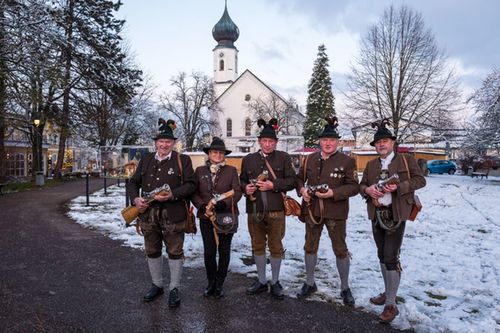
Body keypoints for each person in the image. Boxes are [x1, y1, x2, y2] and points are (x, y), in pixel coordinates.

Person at [359, 119, 426, 323]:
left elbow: (421, 180)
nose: (381, 145)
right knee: (381, 255)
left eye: (385, 141)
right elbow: (362, 186)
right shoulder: (371, 165)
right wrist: (367, 190)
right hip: (376, 214)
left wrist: (400, 187)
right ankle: (389, 293)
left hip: (396, 214)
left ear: (392, 142)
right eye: (378, 143)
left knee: (391, 256)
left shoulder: (405, 160)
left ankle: (391, 305)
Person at [127, 118, 195, 308]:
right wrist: (135, 199)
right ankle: (157, 285)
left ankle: (174, 288)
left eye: (168, 142)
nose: (164, 145)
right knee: (152, 250)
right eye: (161, 141)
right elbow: (133, 183)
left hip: (173, 214)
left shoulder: (183, 160)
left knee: (174, 251)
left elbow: (191, 185)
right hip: (148, 215)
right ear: (156, 143)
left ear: (173, 143)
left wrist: (172, 194)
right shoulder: (147, 159)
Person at [296, 117, 359, 306]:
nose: (328, 143)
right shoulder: (309, 159)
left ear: (337, 142)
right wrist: (303, 190)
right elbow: (299, 179)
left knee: (340, 249)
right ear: (320, 142)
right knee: (310, 246)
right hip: (312, 210)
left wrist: (334, 193)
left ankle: (345, 287)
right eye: (324, 140)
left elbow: (354, 187)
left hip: (336, 212)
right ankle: (309, 282)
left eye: (332, 140)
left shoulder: (347, 161)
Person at [240, 118, 297, 300]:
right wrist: (244, 188)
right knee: (257, 245)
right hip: (254, 209)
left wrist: (274, 185)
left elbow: (292, 181)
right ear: (259, 142)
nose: (267, 144)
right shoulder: (248, 159)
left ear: (276, 142)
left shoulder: (283, 158)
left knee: (275, 246)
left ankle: (275, 281)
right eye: (264, 141)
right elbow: (241, 180)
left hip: (276, 210)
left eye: (271, 141)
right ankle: (262, 281)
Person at [191, 137, 242, 298]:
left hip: (226, 215)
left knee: (224, 250)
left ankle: (220, 283)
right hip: (206, 216)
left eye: (221, 152)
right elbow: (194, 192)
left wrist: (222, 205)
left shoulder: (231, 171)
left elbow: (237, 192)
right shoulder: (199, 171)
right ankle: (211, 281)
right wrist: (201, 206)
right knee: (209, 252)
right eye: (214, 152)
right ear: (209, 153)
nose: (218, 155)